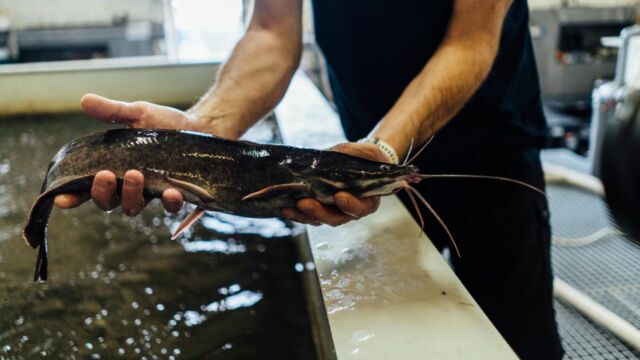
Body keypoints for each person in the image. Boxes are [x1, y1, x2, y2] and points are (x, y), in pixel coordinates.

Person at [56, 0, 564, 358]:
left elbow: (472, 39)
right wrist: (205, 130)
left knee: (518, 336)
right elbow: (272, 33)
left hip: (490, 149)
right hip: (365, 150)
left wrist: (383, 150)